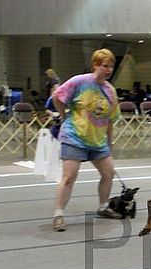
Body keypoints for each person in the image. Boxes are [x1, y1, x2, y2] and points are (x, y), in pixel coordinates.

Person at [51, 48, 122, 232]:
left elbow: (111, 119)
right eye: (105, 66)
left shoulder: (110, 91)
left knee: (108, 173)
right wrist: (63, 115)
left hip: (98, 142)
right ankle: (58, 215)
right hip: (74, 137)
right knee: (68, 177)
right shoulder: (80, 81)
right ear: (95, 65)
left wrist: (109, 141)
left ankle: (103, 207)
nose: (109, 70)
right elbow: (57, 96)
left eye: (112, 67)